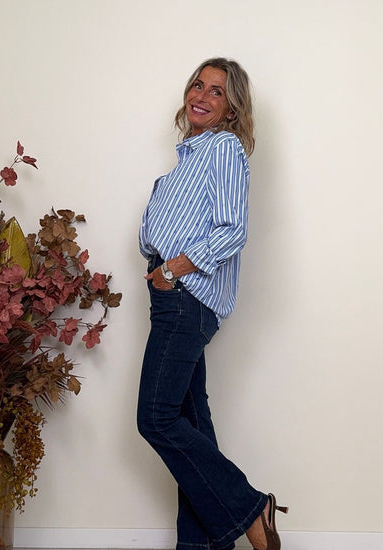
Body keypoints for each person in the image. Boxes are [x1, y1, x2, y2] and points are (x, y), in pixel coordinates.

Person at [137, 57, 288, 550]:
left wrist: (171, 270)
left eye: (216, 91)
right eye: (197, 85)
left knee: (156, 418)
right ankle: (199, 545)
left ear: (231, 108)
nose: (201, 96)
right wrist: (158, 268)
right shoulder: (191, 155)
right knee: (192, 425)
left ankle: (250, 506)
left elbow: (232, 230)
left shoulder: (223, 148)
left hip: (187, 297)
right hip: (174, 295)